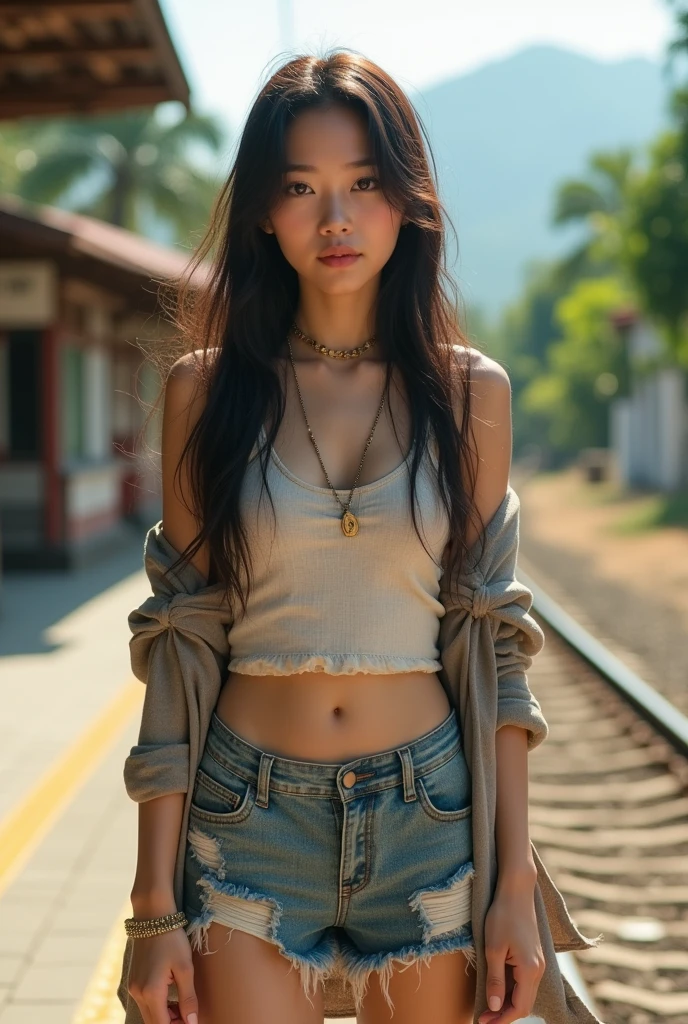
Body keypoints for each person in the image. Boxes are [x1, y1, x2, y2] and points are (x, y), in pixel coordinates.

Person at [125, 50, 545, 1024]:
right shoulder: (206, 390)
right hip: (246, 815)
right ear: (265, 215)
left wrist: (513, 880)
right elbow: (178, 644)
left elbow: (494, 641)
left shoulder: (469, 393)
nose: (336, 218)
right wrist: (153, 906)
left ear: (407, 200)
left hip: (428, 818)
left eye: (363, 184)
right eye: (301, 188)